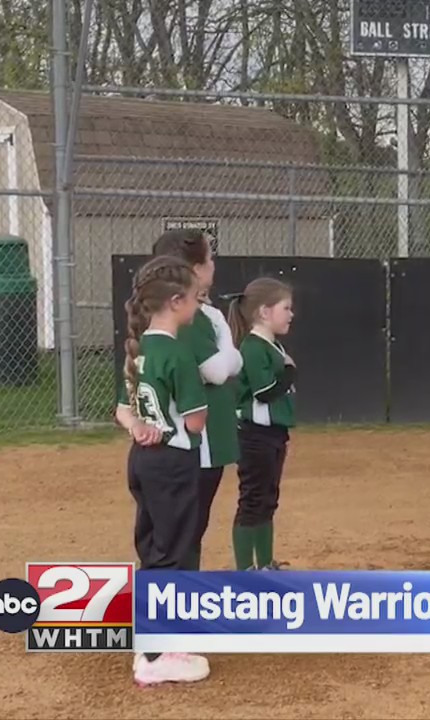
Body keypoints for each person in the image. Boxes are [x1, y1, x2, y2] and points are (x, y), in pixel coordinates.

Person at [113, 254, 211, 686]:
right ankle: (157, 654)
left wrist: (138, 426)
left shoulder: (141, 349)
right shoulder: (177, 353)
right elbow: (195, 422)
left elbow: (122, 410)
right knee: (174, 550)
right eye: (196, 298)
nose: (199, 305)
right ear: (175, 302)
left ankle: (151, 641)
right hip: (174, 462)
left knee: (153, 547)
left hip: (143, 462)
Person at [150, 229, 242, 570]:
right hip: (193, 446)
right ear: (194, 269)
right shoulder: (192, 318)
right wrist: (233, 353)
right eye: (209, 259)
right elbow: (219, 369)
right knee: (184, 533)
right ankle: (176, 606)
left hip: (194, 443)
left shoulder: (196, 313)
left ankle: (176, 602)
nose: (213, 265)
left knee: (185, 531)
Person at [228, 278, 297, 571]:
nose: (291, 314)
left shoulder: (272, 344)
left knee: (268, 499)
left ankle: (266, 563)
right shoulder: (254, 347)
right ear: (264, 312)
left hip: (273, 434)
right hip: (255, 436)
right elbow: (264, 392)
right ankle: (245, 569)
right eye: (286, 308)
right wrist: (289, 374)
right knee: (253, 500)